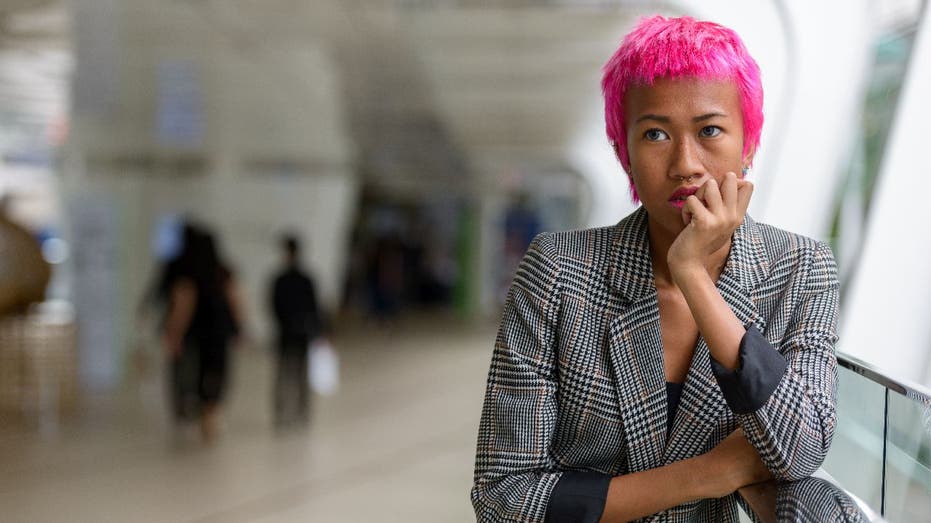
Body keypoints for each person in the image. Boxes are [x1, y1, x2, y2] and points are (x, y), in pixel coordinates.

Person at [471, 15, 839, 522]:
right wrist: (707, 474)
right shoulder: (557, 272)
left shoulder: (800, 269)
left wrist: (692, 275)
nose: (686, 163)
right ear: (625, 155)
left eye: (710, 130)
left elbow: (801, 449)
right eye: (655, 135)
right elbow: (502, 499)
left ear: (749, 144)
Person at [162, 227, 244, 442]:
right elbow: (235, 300)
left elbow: (183, 305)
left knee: (193, 373)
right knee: (216, 373)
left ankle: (199, 412)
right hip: (218, 332)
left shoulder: (187, 271)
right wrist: (239, 327)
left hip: (196, 334)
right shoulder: (222, 271)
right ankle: (210, 413)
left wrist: (174, 333)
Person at [269, 234, 322, 427]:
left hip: (290, 334)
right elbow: (315, 308)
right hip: (300, 334)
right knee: (297, 375)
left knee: (287, 375)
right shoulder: (304, 279)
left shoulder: (282, 280)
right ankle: (299, 412)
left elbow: (274, 306)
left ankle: (286, 412)